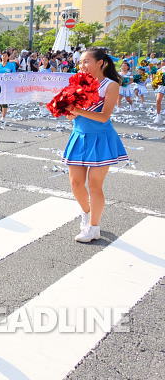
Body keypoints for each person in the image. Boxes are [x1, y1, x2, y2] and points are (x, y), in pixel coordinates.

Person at [61, 48, 128, 243]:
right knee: (75, 183)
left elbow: (104, 116)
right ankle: (86, 213)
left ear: (101, 63)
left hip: (100, 138)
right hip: (79, 136)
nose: (82, 66)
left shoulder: (111, 85)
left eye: (87, 61)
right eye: (81, 62)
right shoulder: (79, 84)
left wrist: (78, 110)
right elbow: (71, 115)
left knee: (95, 185)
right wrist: (68, 111)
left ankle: (93, 227)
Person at [0, 51, 17, 121]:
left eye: (5, 56)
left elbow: (14, 75)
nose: (4, 57)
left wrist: (8, 76)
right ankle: (2, 111)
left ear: (8, 57)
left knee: (4, 100)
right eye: (3, 56)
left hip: (7, 86)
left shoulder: (11, 65)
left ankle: (3, 117)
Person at [154, 60, 165, 124]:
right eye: (162, 64)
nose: (163, 66)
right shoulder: (159, 70)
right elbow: (156, 79)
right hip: (161, 86)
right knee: (158, 100)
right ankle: (158, 116)